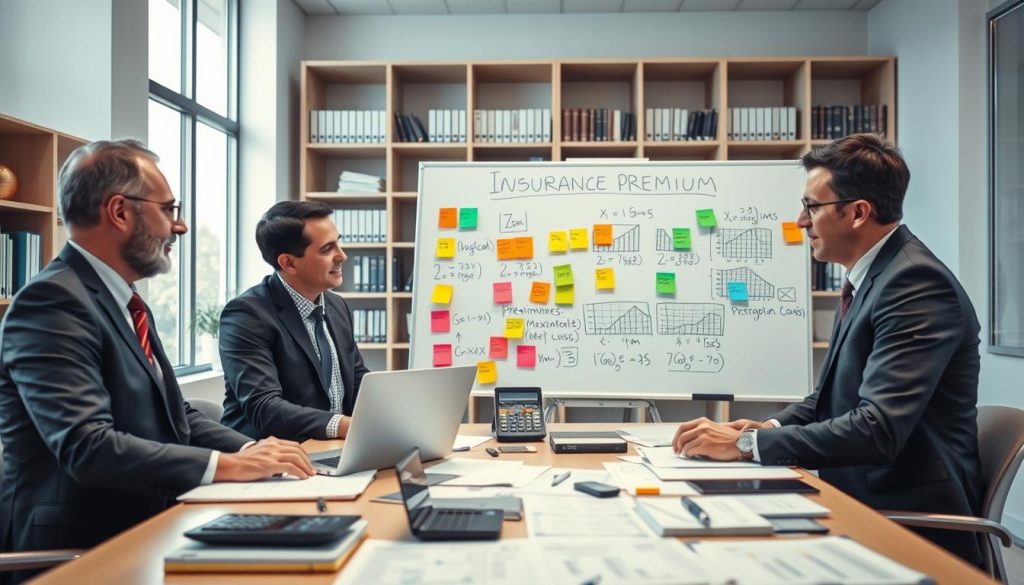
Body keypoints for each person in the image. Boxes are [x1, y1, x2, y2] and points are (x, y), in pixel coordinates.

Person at [671, 133, 983, 565]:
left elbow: (877, 428)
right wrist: (768, 428)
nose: (801, 221)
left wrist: (745, 446)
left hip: (908, 520)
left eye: (812, 207)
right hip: (859, 496)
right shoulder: (873, 277)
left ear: (857, 213)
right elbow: (829, 399)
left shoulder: (915, 285)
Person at [0, 140, 314, 567]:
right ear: (120, 212)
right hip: (81, 551)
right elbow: (87, 447)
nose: (179, 227)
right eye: (169, 210)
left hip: (147, 528)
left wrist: (251, 453)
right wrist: (225, 465)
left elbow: (174, 411)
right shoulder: (52, 303)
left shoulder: (124, 300)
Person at [219, 200, 368, 441]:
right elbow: (264, 407)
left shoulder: (337, 306)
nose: (342, 255)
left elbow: (357, 380)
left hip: (331, 449)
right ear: (288, 263)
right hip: (269, 458)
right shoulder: (246, 314)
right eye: (327, 249)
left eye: (338, 242)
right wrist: (344, 426)